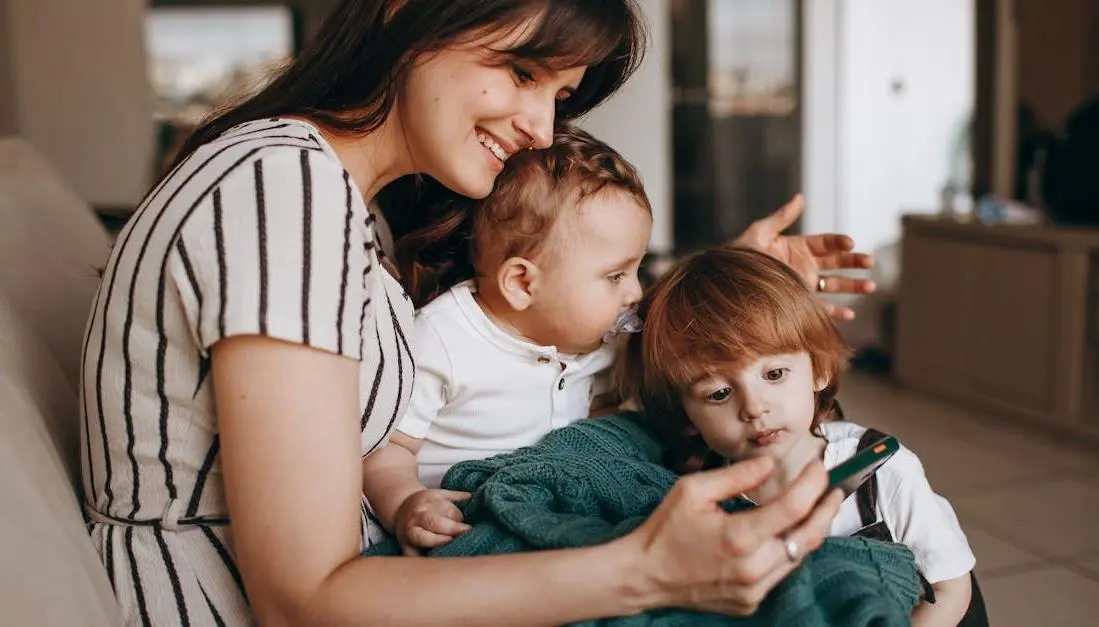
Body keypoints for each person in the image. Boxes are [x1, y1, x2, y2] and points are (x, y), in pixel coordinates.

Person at [80, 1, 874, 624]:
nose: (540, 127)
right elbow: (302, 600)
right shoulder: (283, 190)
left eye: (559, 95)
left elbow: (536, 321)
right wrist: (646, 569)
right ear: (408, 11)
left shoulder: (340, 200)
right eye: (523, 71)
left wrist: (712, 301)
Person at [615, 247, 980, 627]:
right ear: (685, 417)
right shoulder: (698, 497)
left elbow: (952, 588)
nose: (754, 407)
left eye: (774, 375)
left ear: (819, 370)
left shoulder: (884, 471)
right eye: (719, 393)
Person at [364, 123, 650, 554]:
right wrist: (406, 504)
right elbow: (387, 450)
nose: (635, 292)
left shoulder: (598, 340)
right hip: (471, 521)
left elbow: (602, 416)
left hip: (558, 510)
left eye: (636, 270)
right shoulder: (444, 339)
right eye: (616, 275)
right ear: (522, 282)